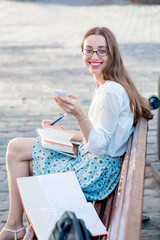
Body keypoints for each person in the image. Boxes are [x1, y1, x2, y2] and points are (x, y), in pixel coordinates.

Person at [0, 27, 153, 240]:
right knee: (17, 147)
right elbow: (99, 135)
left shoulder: (110, 91)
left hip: (96, 172)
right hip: (97, 161)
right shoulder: (106, 84)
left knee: (19, 152)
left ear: (112, 54)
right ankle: (17, 226)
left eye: (102, 51)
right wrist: (63, 132)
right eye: (88, 50)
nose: (94, 56)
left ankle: (17, 227)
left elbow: (99, 146)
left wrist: (79, 115)